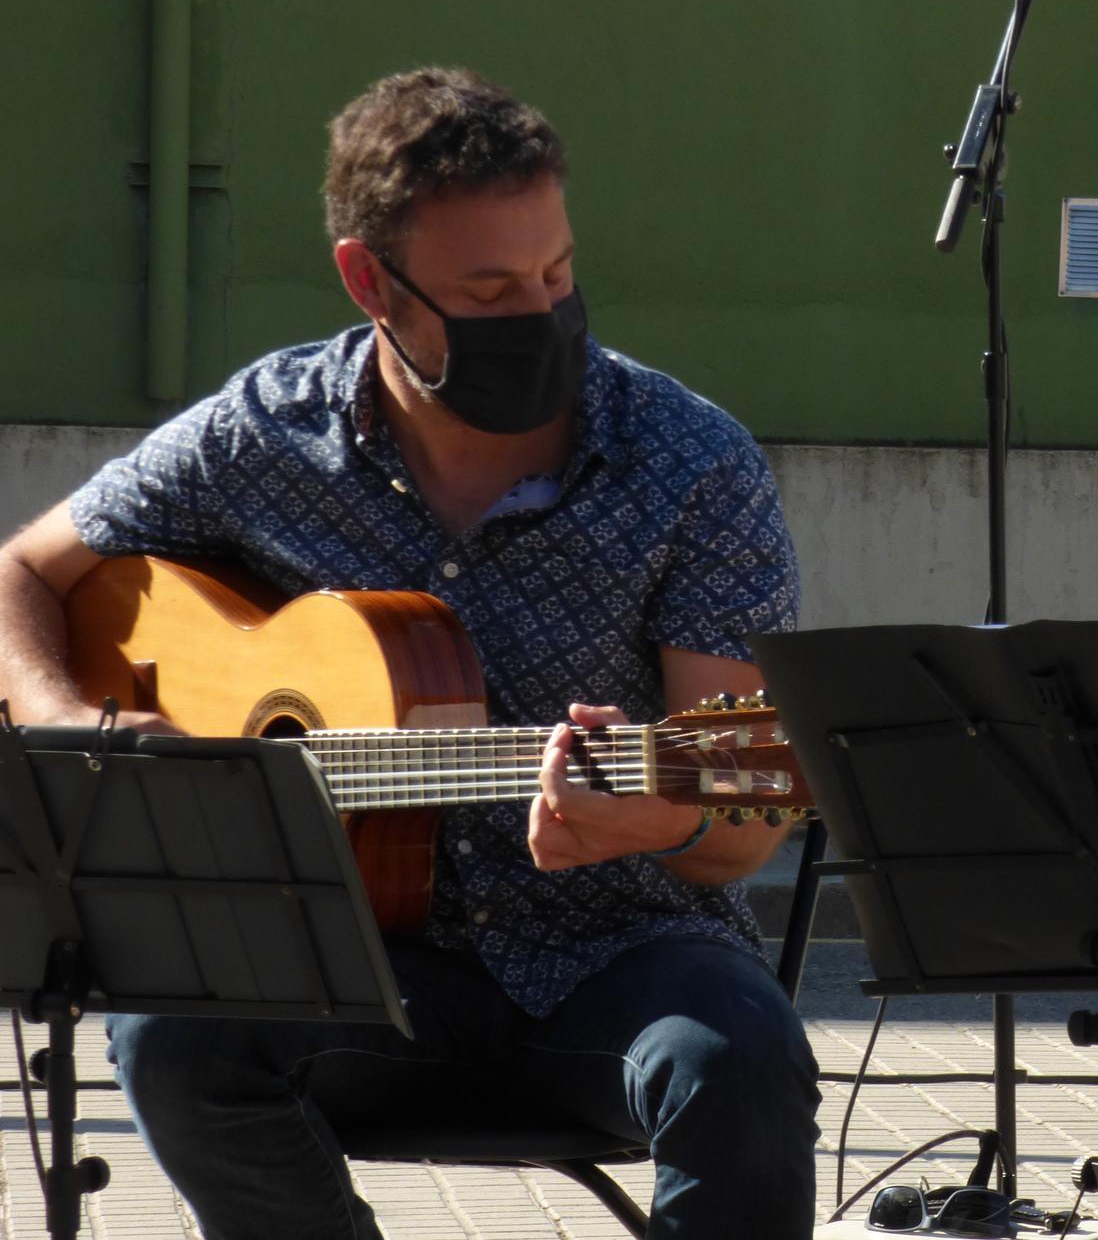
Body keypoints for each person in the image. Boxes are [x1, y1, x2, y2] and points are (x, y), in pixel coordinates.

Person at [0, 67, 820, 1239]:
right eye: (489, 289)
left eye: (556, 273)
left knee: (737, 1058)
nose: (539, 313)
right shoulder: (265, 431)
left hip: (623, 951)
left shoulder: (691, 466)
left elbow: (747, 797)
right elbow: (24, 572)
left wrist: (659, 816)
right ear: (369, 279)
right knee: (175, 1038)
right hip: (347, 963)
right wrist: (71, 722)